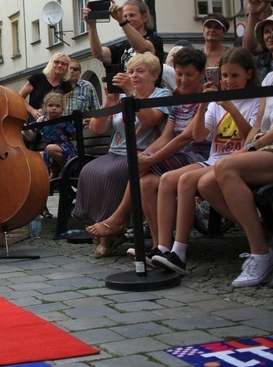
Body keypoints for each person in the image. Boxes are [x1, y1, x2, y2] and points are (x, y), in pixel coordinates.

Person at [86, 49, 209, 261]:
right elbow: (168, 136)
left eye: (188, 75)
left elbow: (181, 137)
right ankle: (160, 245)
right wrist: (109, 102)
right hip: (165, 153)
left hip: (196, 154)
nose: (182, 79)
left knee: (135, 166)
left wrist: (150, 158)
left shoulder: (186, 97)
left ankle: (117, 220)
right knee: (143, 182)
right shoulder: (178, 100)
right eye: (179, 75)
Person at [152, 48, 261, 275]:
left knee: (185, 181)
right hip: (215, 159)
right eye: (224, 76)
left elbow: (251, 136)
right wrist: (203, 105)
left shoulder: (256, 100)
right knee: (167, 179)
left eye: (234, 76)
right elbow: (200, 135)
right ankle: (163, 247)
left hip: (239, 160)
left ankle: (180, 252)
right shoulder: (214, 102)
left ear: (248, 74)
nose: (228, 81)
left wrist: (231, 108)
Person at [71, 52, 170, 257]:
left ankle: (112, 229)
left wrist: (131, 92)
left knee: (111, 174)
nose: (134, 76)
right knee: (89, 171)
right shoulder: (123, 96)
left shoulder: (161, 95)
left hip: (142, 153)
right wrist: (108, 104)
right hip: (115, 152)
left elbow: (151, 120)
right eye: (131, 71)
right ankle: (108, 226)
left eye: (140, 71)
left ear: (154, 75)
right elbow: (98, 128)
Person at [198, 41, 273, 286]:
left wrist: (253, 147)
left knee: (225, 166)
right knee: (207, 183)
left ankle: (260, 253)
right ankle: (265, 239)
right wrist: (247, 147)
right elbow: (259, 125)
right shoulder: (272, 78)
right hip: (264, 146)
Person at [85, 0, 164, 84]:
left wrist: (122, 21)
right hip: (126, 94)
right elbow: (99, 53)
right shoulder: (121, 46)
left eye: (132, 15)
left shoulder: (154, 40)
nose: (128, 19)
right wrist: (91, 25)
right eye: (125, 16)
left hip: (149, 95)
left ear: (144, 17)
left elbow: (142, 48)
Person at [26, 92, 78, 175]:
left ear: (62, 109)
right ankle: (52, 174)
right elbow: (30, 136)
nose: (54, 108)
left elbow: (75, 136)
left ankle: (67, 169)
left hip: (65, 148)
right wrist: (25, 128)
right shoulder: (42, 120)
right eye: (50, 105)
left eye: (57, 106)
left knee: (50, 148)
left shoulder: (64, 120)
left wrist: (78, 125)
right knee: (36, 156)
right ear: (45, 108)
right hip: (50, 151)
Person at [19, 53, 73, 121]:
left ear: (67, 68)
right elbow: (19, 97)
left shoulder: (67, 86)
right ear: (51, 63)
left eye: (63, 64)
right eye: (56, 62)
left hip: (52, 122)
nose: (59, 65)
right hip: (33, 120)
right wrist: (32, 111)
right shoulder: (37, 78)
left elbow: (61, 108)